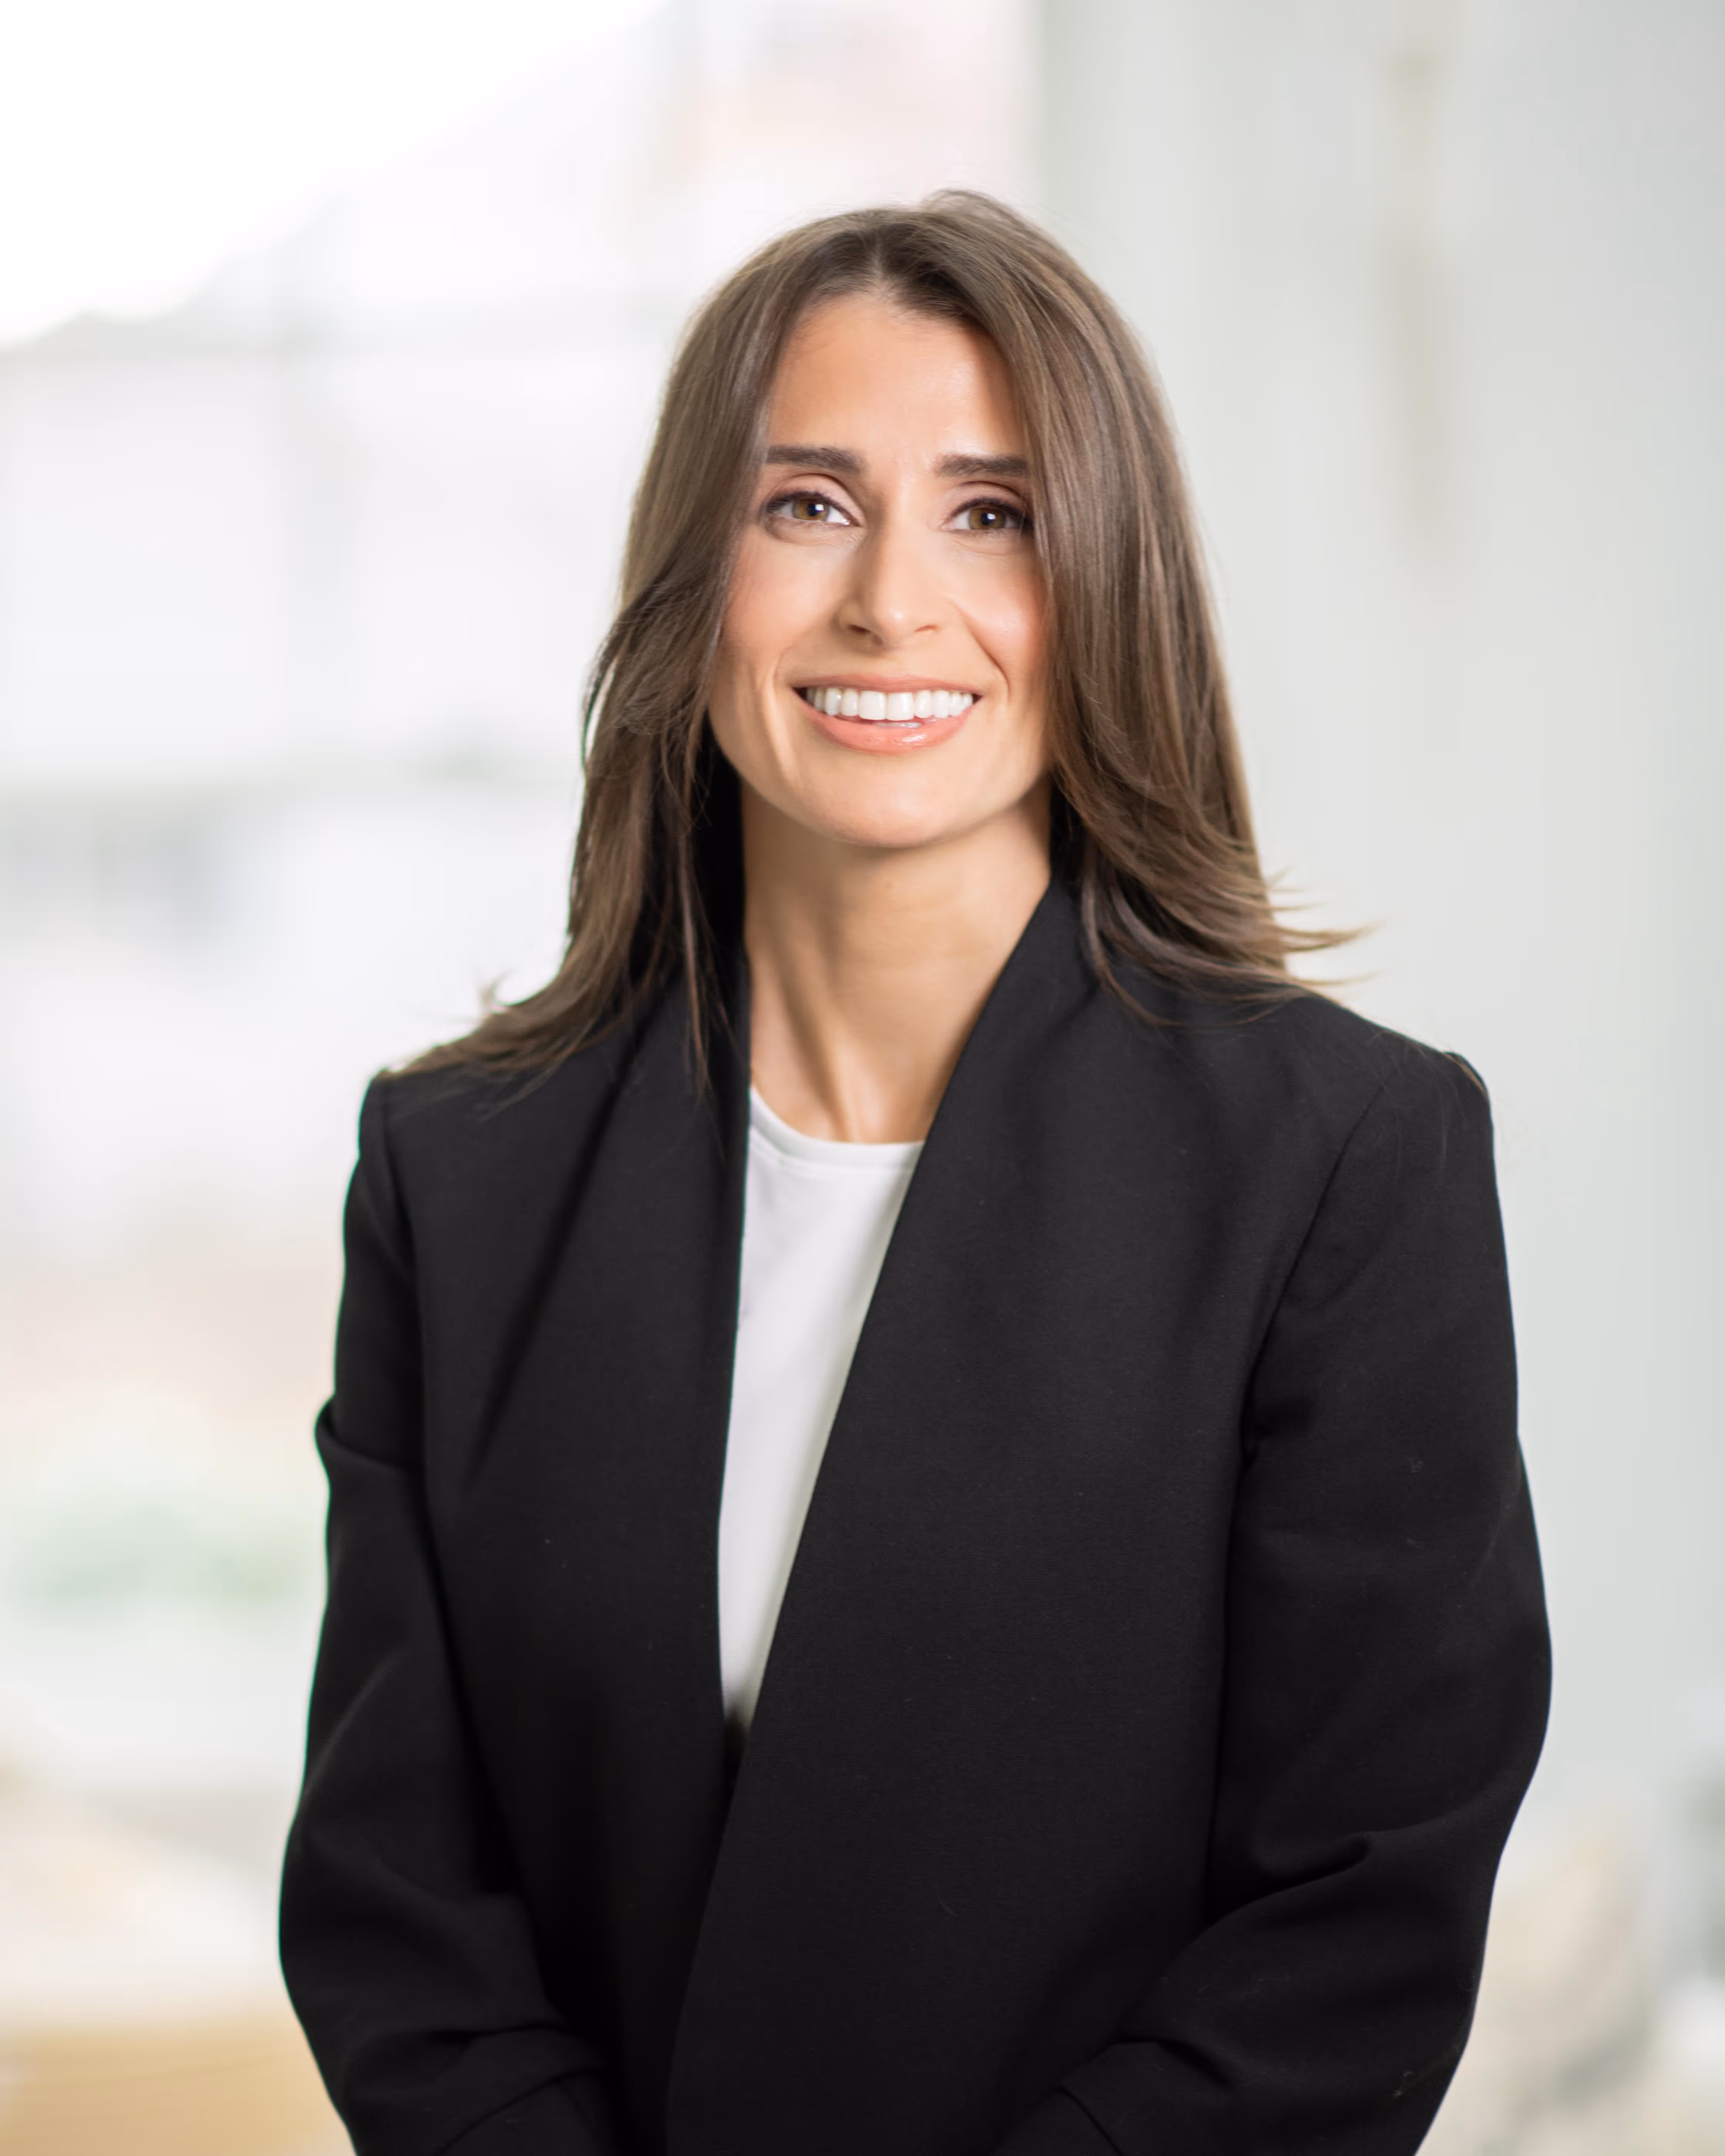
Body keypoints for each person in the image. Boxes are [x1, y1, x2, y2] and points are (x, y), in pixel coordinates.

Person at [280, 192, 1549, 2156]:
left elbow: (1353, 1923)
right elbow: (401, 1905)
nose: (891, 598)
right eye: (806, 503)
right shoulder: (458, 1180)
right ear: (697, 573)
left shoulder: (1345, 1163)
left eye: (993, 512)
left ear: (1103, 578)